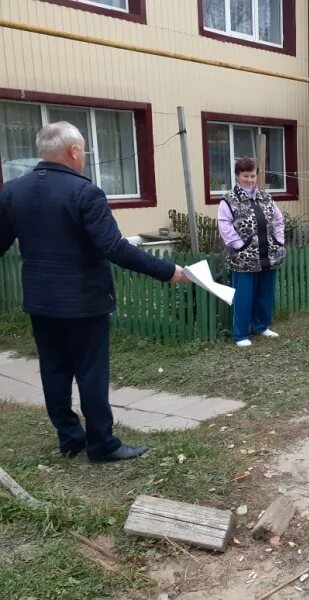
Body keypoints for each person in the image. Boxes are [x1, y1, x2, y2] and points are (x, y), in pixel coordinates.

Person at [0, 122, 188, 462]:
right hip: (84, 303)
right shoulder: (85, 192)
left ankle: (70, 439)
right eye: (83, 150)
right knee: (91, 373)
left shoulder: (13, 191)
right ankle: (102, 444)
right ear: (73, 151)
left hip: (41, 303)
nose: (84, 156)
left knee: (53, 370)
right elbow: (114, 247)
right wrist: (167, 270)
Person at [217, 157, 285, 348]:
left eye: (253, 175)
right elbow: (225, 226)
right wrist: (240, 246)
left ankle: (261, 326)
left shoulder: (266, 197)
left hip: (268, 256)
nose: (249, 179)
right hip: (243, 259)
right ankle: (240, 334)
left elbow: (279, 220)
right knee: (243, 297)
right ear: (238, 176)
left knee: (265, 294)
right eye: (245, 176)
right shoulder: (228, 200)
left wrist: (279, 240)